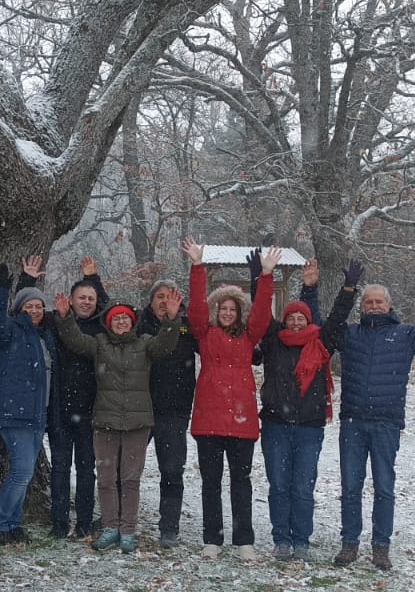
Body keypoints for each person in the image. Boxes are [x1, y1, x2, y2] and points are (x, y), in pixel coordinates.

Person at [325, 266, 415, 571]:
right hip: (353, 423)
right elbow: (327, 328)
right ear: (362, 308)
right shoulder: (350, 335)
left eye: (379, 302)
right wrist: (341, 291)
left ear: (390, 306)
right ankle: (349, 544)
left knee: (384, 487)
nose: (374, 306)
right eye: (368, 302)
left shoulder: (406, 335)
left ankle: (381, 547)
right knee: (350, 487)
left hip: (386, 424)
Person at [54, 290, 184, 554]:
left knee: (130, 479)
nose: (122, 322)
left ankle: (128, 530)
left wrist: (172, 319)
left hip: (138, 421)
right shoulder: (99, 344)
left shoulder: (145, 343)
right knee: (105, 479)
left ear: (132, 322)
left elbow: (166, 345)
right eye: (116, 319)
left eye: (126, 318)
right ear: (109, 323)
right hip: (105, 421)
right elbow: (75, 341)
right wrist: (65, 317)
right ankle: (110, 527)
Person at [184, 239, 280, 562]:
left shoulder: (250, 336)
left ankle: (244, 540)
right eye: (222, 308)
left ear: (239, 313)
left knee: (241, 482)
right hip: (209, 419)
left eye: (232, 309)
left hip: (241, 420)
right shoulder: (204, 333)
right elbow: (195, 307)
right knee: (211, 482)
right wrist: (198, 267)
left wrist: (266, 276)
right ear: (216, 311)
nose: (227, 313)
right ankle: (212, 538)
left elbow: (263, 314)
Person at [257, 259, 360, 562]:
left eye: (302, 318)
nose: (297, 323)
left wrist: (348, 289)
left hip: (309, 427)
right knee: (278, 485)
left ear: (308, 320)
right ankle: (281, 539)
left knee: (302, 485)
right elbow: (261, 312)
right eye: (292, 318)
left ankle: (301, 539)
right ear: (284, 321)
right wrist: (260, 278)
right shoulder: (274, 342)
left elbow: (338, 319)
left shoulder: (320, 342)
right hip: (275, 424)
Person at [20, 256, 108, 538]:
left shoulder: (100, 327)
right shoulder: (53, 321)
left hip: (89, 411)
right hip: (59, 410)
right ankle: (59, 523)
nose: (86, 302)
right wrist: (28, 281)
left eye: (90, 298)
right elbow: (24, 314)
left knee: (86, 470)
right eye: (80, 297)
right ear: (69, 300)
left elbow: (108, 308)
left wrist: (94, 279)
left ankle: (83, 523)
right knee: (60, 468)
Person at [0, 261, 57, 545]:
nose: (36, 310)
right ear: (19, 310)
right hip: (15, 413)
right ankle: (0, 523)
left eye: (39, 306)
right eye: (30, 307)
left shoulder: (41, 335)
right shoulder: (10, 331)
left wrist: (28, 282)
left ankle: (13, 524)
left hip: (38, 414)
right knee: (22, 471)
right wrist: (3, 288)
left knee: (23, 474)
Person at [137, 278, 197, 548]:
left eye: (169, 296)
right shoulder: (139, 323)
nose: (164, 301)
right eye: (158, 296)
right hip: (140, 406)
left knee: (171, 470)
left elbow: (213, 339)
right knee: (127, 469)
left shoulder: (188, 324)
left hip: (174, 409)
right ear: (150, 301)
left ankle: (169, 527)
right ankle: (119, 521)